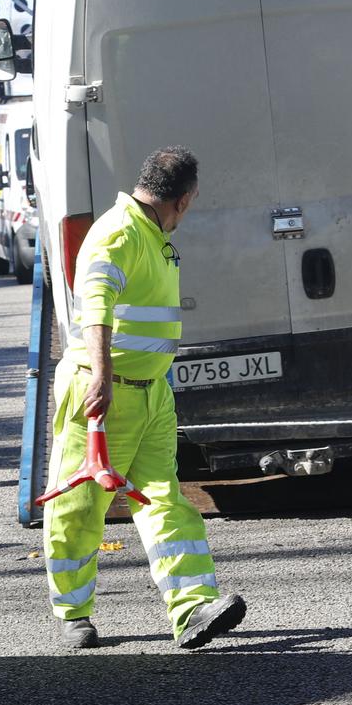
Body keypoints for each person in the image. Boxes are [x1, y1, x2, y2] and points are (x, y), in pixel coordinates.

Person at [43, 146, 245, 652]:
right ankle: (74, 614)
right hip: (103, 393)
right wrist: (103, 374)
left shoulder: (151, 233)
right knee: (78, 507)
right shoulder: (120, 232)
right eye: (192, 201)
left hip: (152, 394)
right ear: (183, 199)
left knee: (164, 498)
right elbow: (95, 302)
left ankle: (194, 606)